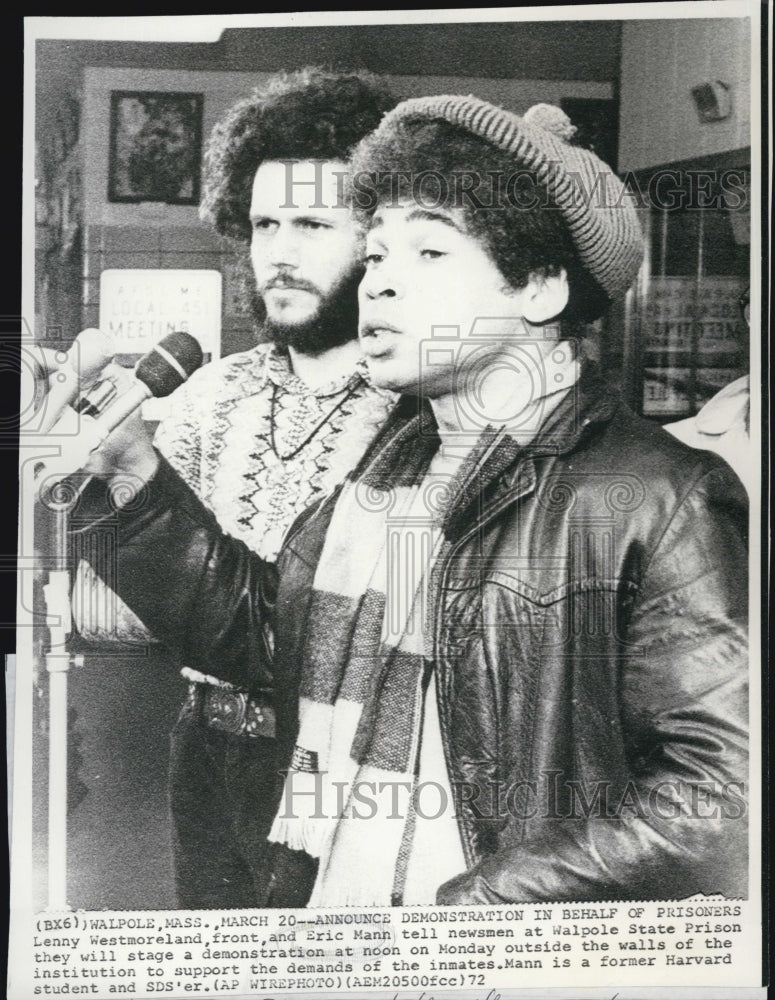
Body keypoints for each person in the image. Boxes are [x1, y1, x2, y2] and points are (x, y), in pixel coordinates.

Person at [73, 95, 748, 906]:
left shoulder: (656, 495)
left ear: (538, 288)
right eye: (379, 253)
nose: (380, 284)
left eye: (427, 252)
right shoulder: (383, 476)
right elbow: (263, 639)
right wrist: (130, 472)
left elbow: (719, 799)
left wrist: (483, 900)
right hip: (343, 911)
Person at [77, 68, 398, 909]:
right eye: (262, 224)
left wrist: (138, 480)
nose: (280, 253)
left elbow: (297, 637)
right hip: (203, 747)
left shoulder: (416, 411)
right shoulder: (209, 394)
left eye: (313, 225)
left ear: (380, 240)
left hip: (342, 764)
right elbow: (122, 615)